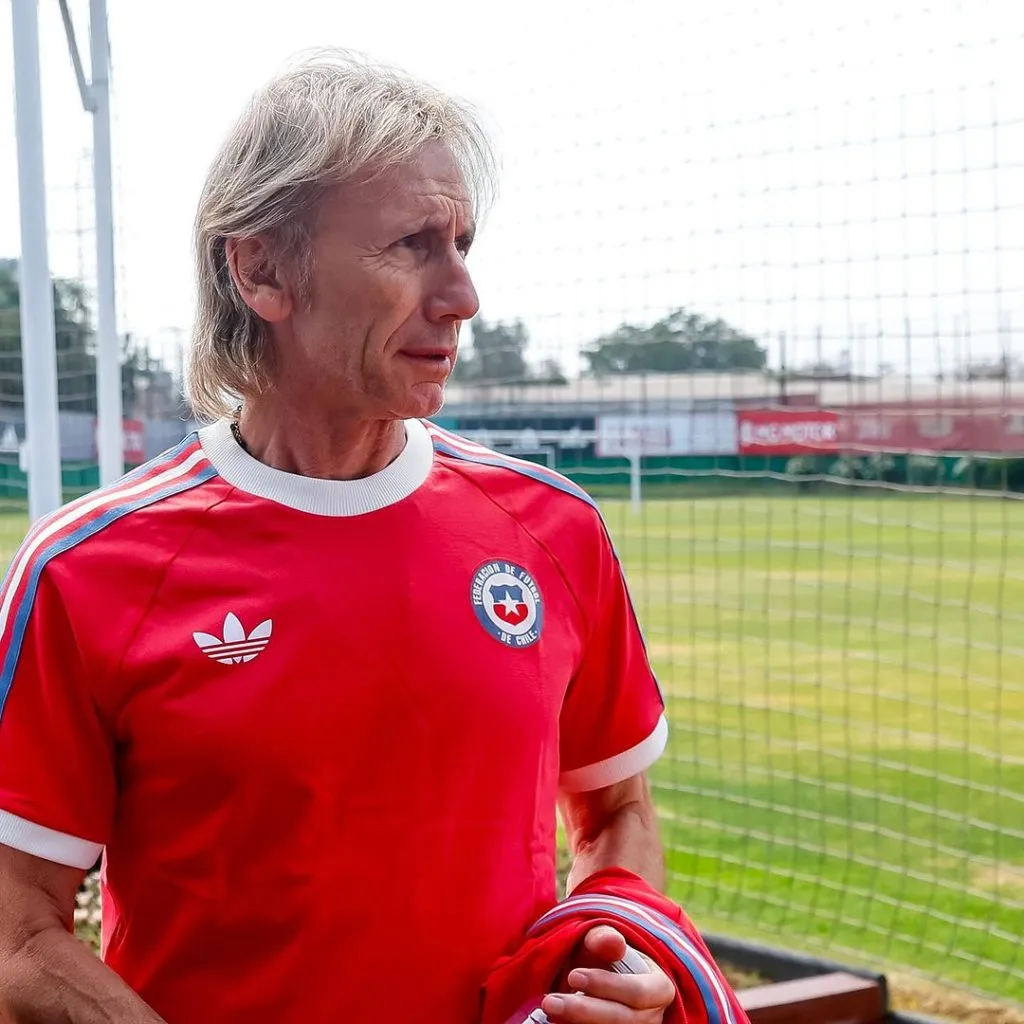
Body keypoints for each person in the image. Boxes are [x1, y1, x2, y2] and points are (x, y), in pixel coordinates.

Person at [0, 49, 679, 1023]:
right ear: (261, 269)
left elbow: (618, 816)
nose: (462, 295)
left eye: (464, 242)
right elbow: (17, 933)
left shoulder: (553, 531)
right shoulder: (83, 571)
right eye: (411, 244)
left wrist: (619, 957)